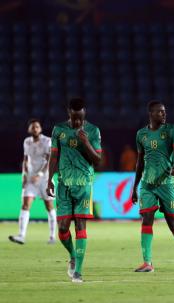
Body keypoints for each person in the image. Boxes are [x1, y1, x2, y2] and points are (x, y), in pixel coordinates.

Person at [47, 98, 102, 283]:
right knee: (62, 228)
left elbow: (98, 160)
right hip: (63, 184)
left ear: (84, 113)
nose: (78, 121)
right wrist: (49, 179)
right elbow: (54, 156)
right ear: (69, 112)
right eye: (74, 117)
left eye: (81, 117)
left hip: (84, 184)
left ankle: (78, 271)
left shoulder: (93, 131)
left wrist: (86, 142)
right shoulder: (58, 130)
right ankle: (72, 255)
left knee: (80, 226)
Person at [131, 101, 174, 273]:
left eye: (164, 112)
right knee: (147, 219)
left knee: (173, 224)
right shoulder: (141, 134)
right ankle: (147, 262)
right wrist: (135, 186)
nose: (164, 114)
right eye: (160, 112)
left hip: (167, 184)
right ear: (151, 113)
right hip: (147, 184)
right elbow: (139, 162)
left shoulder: (171, 131)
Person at [9, 119, 57, 245]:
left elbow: (49, 160)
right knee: (25, 205)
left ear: (40, 129)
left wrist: (40, 174)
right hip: (31, 178)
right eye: (32, 127)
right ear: (29, 129)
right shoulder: (27, 142)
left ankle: (52, 236)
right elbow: (26, 159)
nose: (35, 129)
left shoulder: (47, 141)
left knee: (49, 206)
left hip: (45, 179)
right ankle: (21, 236)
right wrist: (24, 175)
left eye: (37, 127)